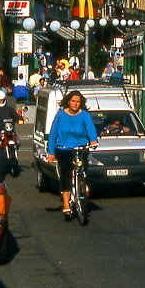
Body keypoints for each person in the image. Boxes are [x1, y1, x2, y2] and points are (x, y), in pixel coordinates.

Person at [47, 90, 98, 219]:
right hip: (63, 149)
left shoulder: (84, 115)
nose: (75, 104)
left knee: (82, 168)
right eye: (73, 101)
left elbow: (91, 129)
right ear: (68, 102)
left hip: (80, 147)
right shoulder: (60, 115)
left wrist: (93, 140)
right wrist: (51, 152)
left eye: (78, 102)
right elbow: (53, 134)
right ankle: (66, 204)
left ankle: (82, 183)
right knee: (66, 174)